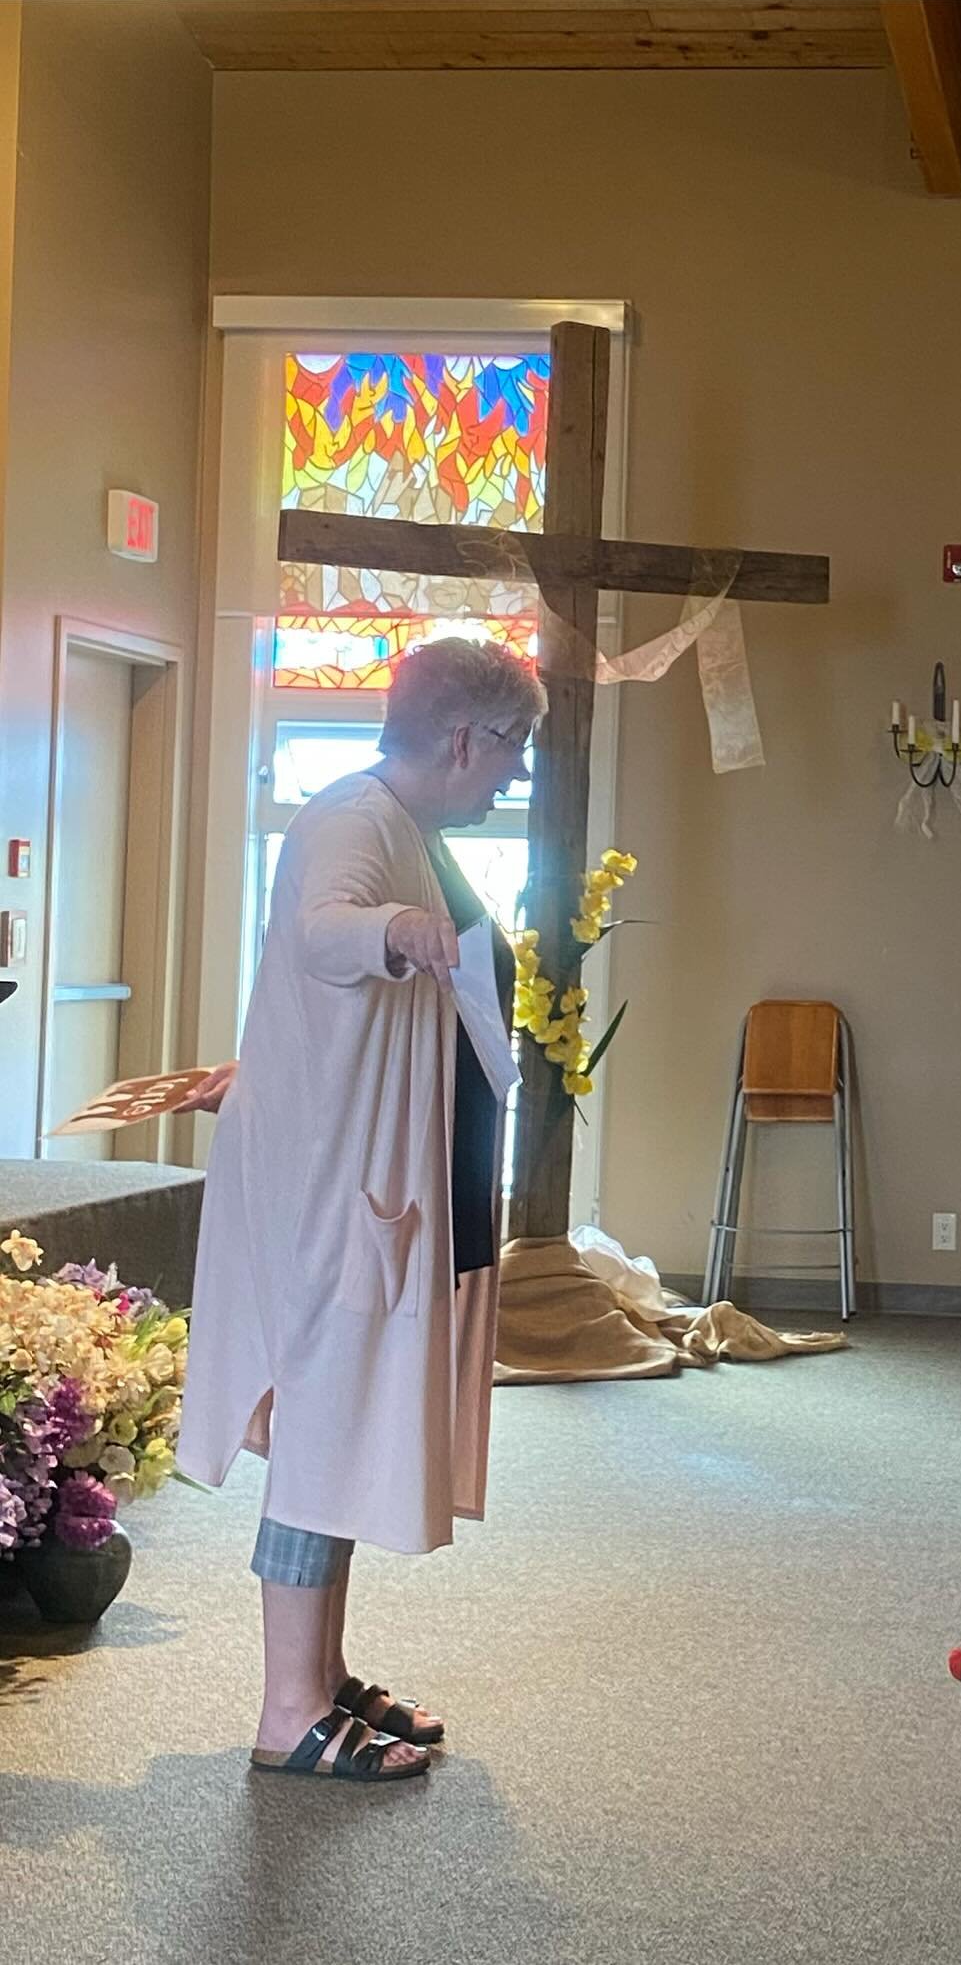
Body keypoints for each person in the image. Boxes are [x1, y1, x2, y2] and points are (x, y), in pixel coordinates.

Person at [176, 636, 544, 1784]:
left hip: (366, 1181)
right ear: (463, 737)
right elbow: (320, 927)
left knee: (341, 1428)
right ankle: (287, 1710)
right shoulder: (354, 818)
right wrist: (397, 934)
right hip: (338, 1197)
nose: (512, 777)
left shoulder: (406, 828)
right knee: (322, 1429)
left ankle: (320, 1675)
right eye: (513, 750)